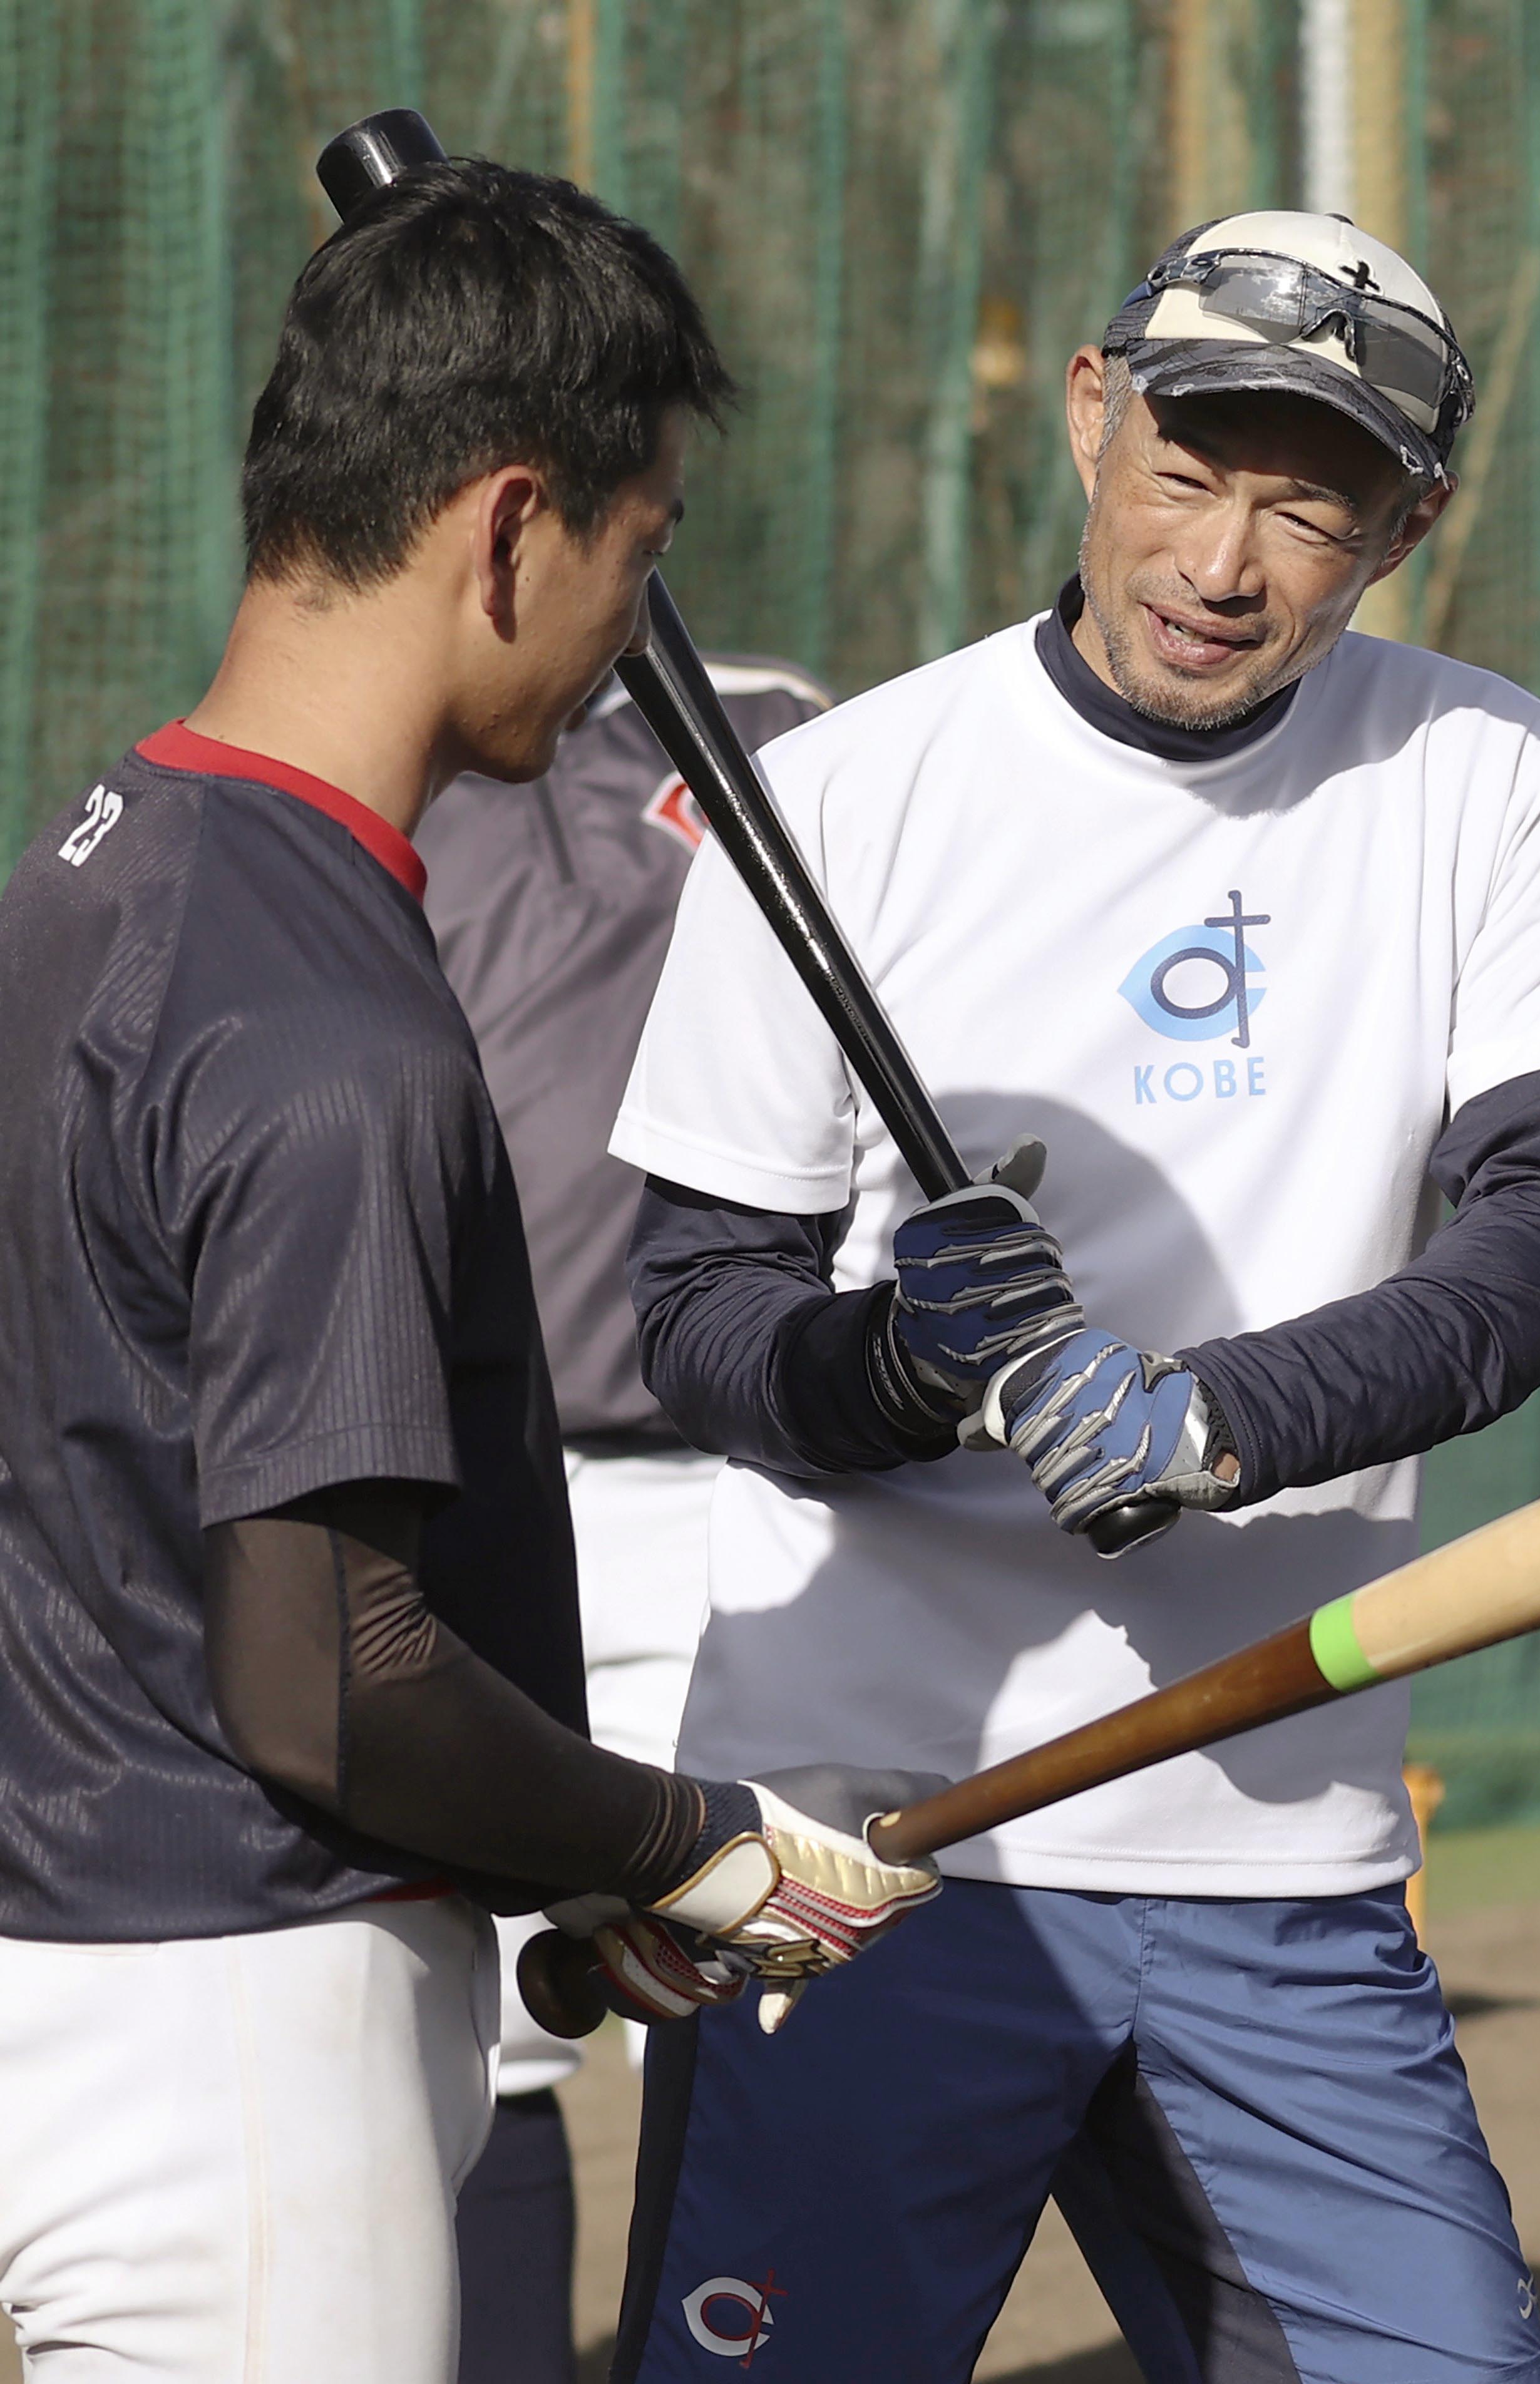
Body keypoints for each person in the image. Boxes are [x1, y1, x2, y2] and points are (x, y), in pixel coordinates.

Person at [607, 211, 1540, 2382]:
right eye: (1190, 469)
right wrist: (895, 1369)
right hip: (866, 1836)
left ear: (1404, 523)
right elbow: (696, 1313)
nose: (1226, 558)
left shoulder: (1486, 775)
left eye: (1312, 502)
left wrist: (1212, 1419)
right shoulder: (835, 799)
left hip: (1269, 1841)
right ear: (1093, 417)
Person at [0, 158, 935, 2384]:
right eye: (640, 545)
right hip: (228, 2037)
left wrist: (583, 1865)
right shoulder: (327, 1023)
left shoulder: (74, 880)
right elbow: (331, 1680)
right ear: (510, 524)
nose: (640, 616)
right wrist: (684, 1837)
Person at [417, 654, 831, 2384]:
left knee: (738, 2017)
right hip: (451, 1497)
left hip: (725, 1495)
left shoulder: (775, 728)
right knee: (487, 2040)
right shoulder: (381, 740)